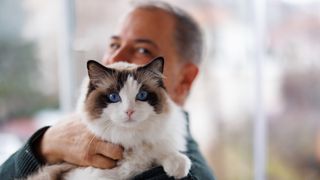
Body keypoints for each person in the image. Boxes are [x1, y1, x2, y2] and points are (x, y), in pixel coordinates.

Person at [0, 1, 215, 179]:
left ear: (185, 79)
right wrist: (43, 146)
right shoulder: (76, 137)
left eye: (143, 49)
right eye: (113, 45)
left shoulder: (177, 174)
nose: (115, 59)